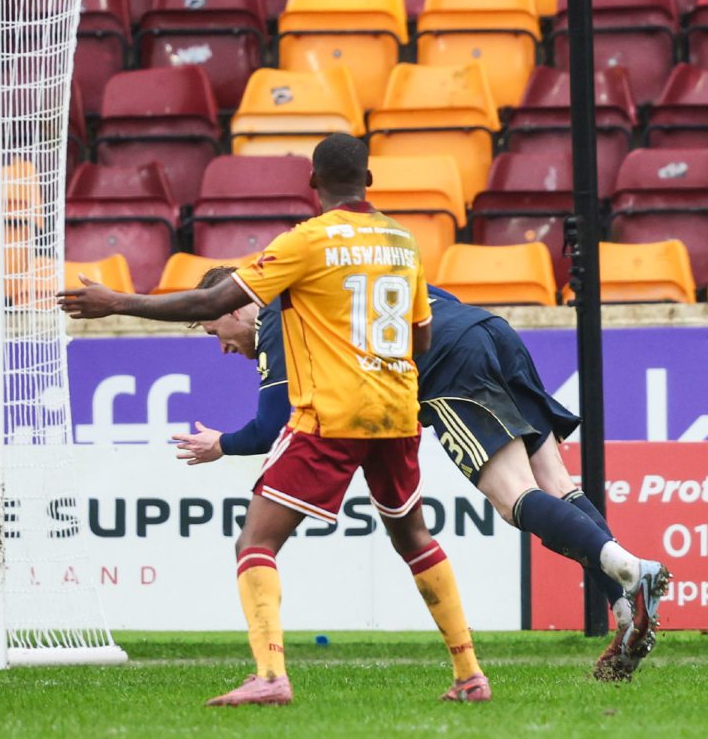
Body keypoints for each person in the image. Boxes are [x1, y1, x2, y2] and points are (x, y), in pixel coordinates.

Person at [60, 133, 489, 706]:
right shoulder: (401, 242)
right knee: (413, 536)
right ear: (369, 180)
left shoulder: (304, 243)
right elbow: (422, 335)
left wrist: (119, 302)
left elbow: (213, 303)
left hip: (334, 413)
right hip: (396, 408)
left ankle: (268, 676)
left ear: (313, 183)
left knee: (255, 541)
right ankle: (469, 674)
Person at [174, 268, 670, 682]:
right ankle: (626, 610)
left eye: (215, 331)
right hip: (489, 328)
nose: (222, 347)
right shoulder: (345, 275)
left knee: (511, 496)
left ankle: (630, 570)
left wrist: (221, 444)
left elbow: (271, 426)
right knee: (558, 485)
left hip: (442, 362)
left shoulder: (276, 318)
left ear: (238, 308)